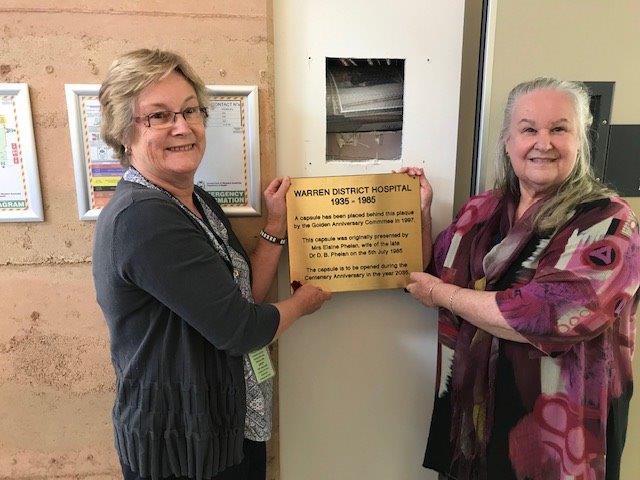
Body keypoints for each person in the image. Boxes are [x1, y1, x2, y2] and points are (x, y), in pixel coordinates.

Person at [92, 49, 331, 480]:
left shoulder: (194, 199)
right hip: (181, 441)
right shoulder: (143, 217)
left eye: (190, 111)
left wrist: (275, 222)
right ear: (124, 132)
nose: (182, 127)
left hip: (221, 426)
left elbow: (243, 297)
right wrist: (303, 304)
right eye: (159, 116)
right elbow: (239, 328)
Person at [406, 77, 640, 480]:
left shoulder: (607, 220)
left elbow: (548, 316)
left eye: (559, 129)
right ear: (508, 141)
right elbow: (430, 275)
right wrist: (417, 212)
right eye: (529, 129)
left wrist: (441, 293)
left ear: (581, 138)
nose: (543, 143)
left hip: (557, 437)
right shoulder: (482, 209)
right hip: (474, 423)